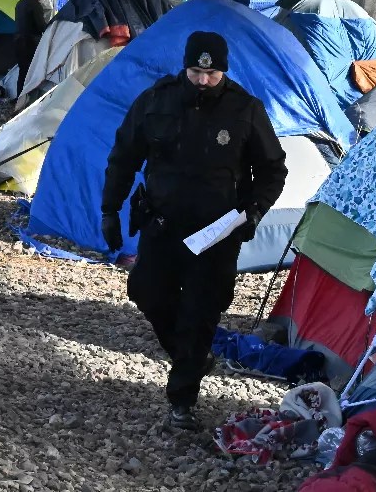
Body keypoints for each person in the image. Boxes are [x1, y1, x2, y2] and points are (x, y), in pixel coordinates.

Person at [101, 31, 288, 429]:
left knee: (201, 312)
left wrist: (252, 212)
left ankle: (181, 400)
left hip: (217, 233)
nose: (203, 81)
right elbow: (123, 157)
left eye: (212, 74)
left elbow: (273, 170)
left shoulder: (245, 110)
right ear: (184, 67)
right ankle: (192, 356)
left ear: (224, 70)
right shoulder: (156, 100)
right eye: (195, 72)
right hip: (162, 223)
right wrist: (110, 210)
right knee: (146, 291)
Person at [14, 0, 48, 95]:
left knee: (23, 71)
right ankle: (29, 98)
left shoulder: (20, 3)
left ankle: (20, 97)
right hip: (31, 42)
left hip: (18, 41)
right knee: (32, 71)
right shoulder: (35, 5)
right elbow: (41, 26)